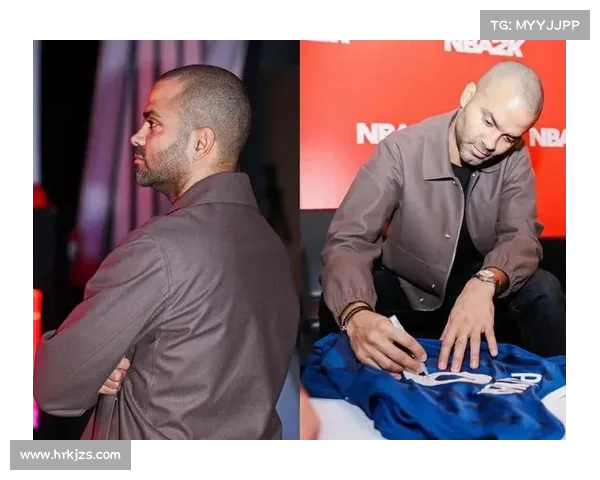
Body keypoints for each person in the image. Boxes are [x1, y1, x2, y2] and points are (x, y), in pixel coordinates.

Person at [33, 64, 300, 440]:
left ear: (200, 143)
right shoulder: (270, 245)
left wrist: (94, 363)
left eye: (153, 123)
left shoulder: (158, 247)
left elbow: (55, 385)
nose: (136, 136)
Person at [319, 60, 567, 376]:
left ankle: (562, 393)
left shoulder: (514, 157)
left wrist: (485, 282)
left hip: (480, 302)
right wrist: (356, 314)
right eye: (488, 121)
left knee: (543, 289)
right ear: (468, 95)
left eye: (508, 137)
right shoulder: (401, 150)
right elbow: (349, 241)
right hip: (410, 296)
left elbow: (521, 237)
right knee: (343, 302)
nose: (491, 144)